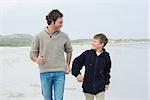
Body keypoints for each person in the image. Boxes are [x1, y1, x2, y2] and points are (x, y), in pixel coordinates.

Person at [30, 9, 73, 100]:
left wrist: (68, 65)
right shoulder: (39, 36)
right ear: (52, 21)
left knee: (59, 98)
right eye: (60, 22)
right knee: (47, 98)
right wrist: (36, 59)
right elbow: (32, 54)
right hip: (45, 72)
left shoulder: (64, 36)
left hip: (60, 72)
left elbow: (69, 50)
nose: (62, 24)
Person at [72, 33, 111, 100]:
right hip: (88, 86)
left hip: (100, 87)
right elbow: (76, 62)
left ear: (101, 44)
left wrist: (107, 82)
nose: (92, 43)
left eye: (95, 42)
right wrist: (77, 74)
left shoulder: (106, 56)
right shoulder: (87, 54)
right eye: (92, 41)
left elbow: (107, 71)